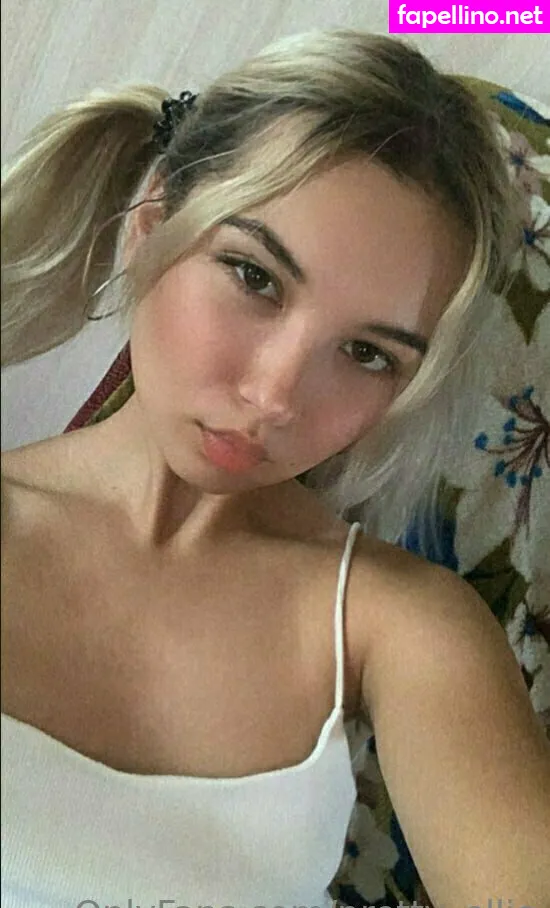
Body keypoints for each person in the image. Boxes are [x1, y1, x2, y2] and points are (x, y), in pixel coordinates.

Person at [1, 28, 549, 908]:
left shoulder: (401, 627)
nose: (274, 395)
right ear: (152, 223)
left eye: (367, 354)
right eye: (254, 277)